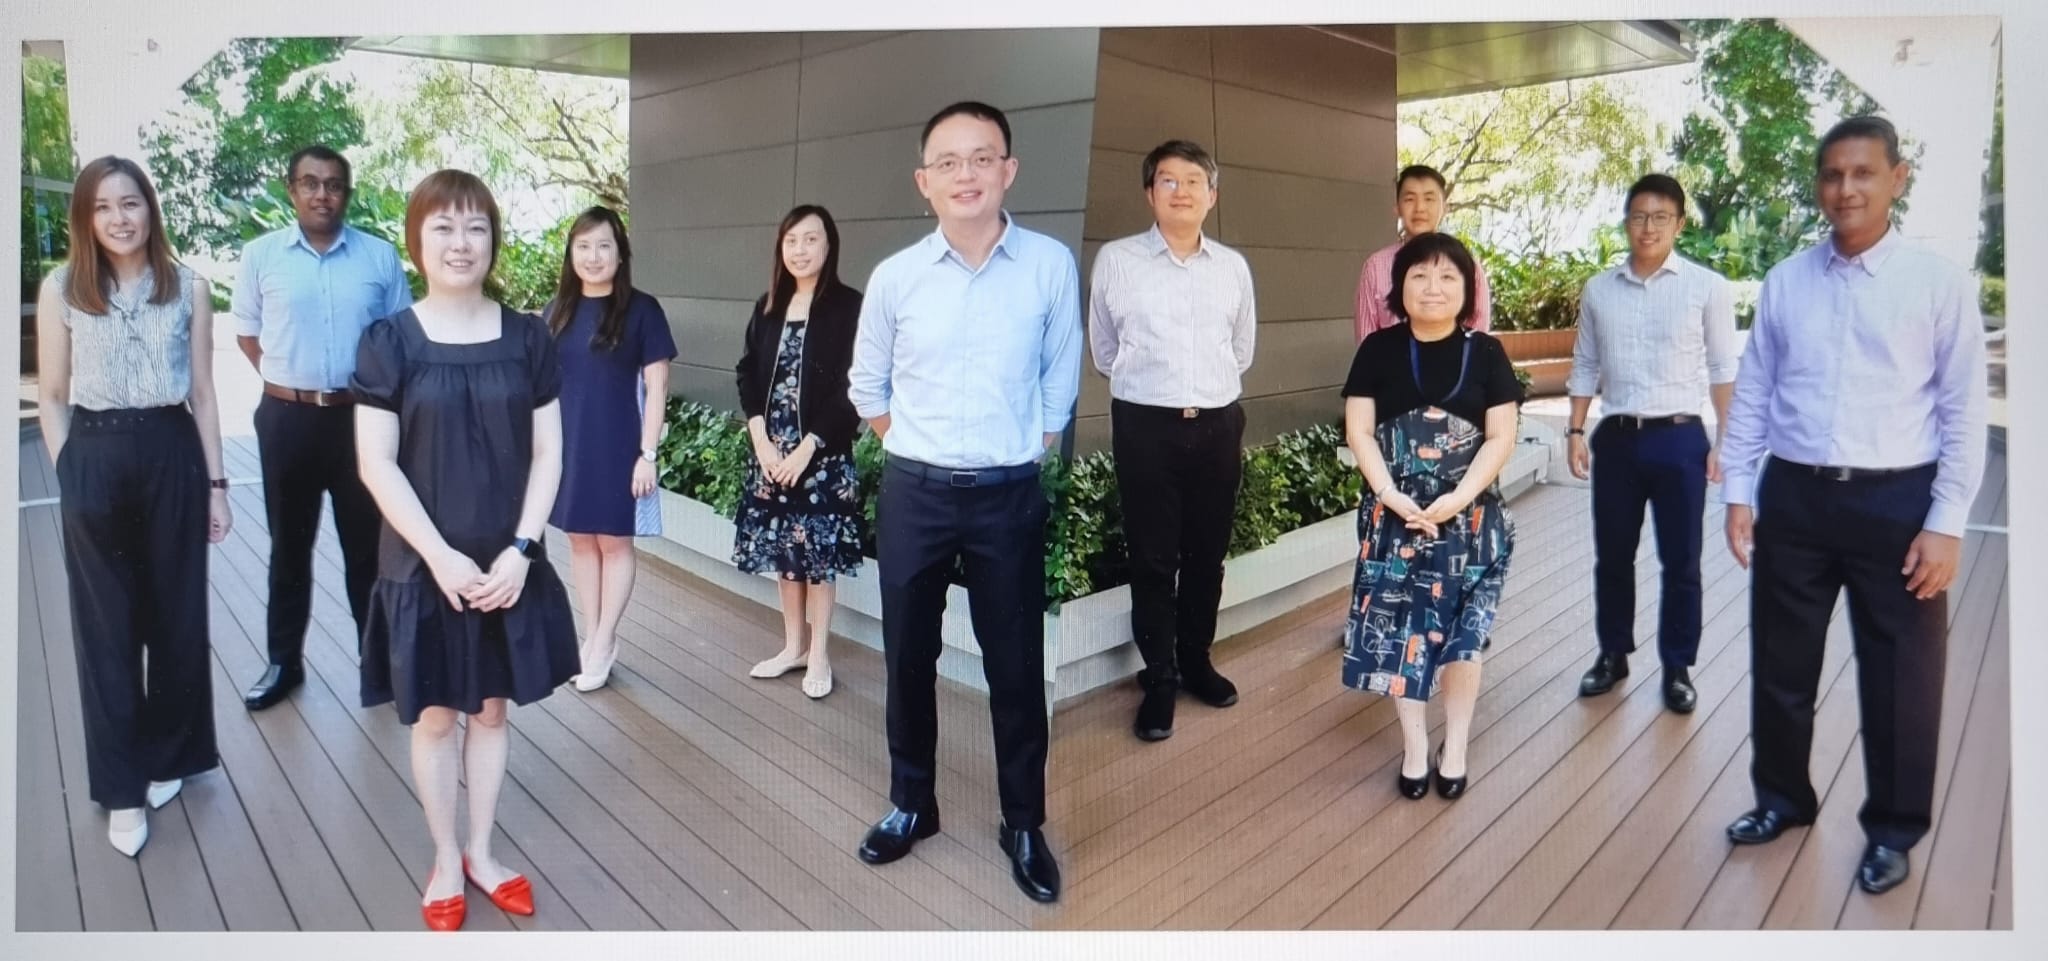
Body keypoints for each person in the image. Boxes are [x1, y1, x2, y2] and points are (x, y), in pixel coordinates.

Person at [1719, 116, 1988, 896]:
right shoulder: (1785, 282)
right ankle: (1781, 798)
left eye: (1864, 173)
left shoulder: (1936, 285)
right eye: (1833, 175)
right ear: (1819, 184)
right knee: (1780, 662)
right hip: (1795, 497)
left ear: (1896, 178)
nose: (1847, 189)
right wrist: (1740, 489)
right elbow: (1758, 391)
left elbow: (1964, 411)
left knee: (1902, 675)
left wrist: (1946, 521)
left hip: (1898, 503)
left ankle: (1895, 828)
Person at [846, 101, 1081, 903]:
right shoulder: (896, 277)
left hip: (1008, 495)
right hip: (914, 491)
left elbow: (1060, 380)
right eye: (948, 162)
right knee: (909, 658)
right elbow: (866, 384)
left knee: (1015, 667)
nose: (966, 174)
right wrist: (915, 444)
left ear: (1008, 170)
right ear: (924, 183)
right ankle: (913, 802)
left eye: (982, 158)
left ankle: (1023, 820)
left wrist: (1024, 449)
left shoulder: (1049, 264)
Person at [350, 170, 580, 930]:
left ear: (493, 240)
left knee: (489, 711)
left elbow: (549, 452)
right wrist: (442, 557)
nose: (460, 242)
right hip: (425, 566)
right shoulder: (389, 341)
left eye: (475, 227)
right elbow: (375, 462)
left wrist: (522, 548)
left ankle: (483, 849)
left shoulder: (528, 337)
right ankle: (445, 856)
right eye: (443, 227)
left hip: (506, 563)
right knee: (436, 718)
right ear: (417, 240)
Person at [34, 156, 232, 856]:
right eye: (103, 207)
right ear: (86, 218)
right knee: (107, 627)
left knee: (176, 615)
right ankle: (121, 788)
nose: (120, 218)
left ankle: (170, 757)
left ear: (151, 209)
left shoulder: (188, 288)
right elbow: (51, 393)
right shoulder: (62, 288)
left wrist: (216, 485)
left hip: (171, 449)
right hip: (96, 452)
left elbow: (204, 393)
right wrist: (72, 468)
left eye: (132, 203)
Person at [1339, 231, 1520, 802]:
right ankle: (1416, 747)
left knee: (1465, 641)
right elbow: (1359, 430)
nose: (1433, 287)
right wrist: (1390, 494)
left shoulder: (1487, 352)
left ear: (1467, 289)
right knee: (1401, 636)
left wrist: (1459, 497)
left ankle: (1457, 744)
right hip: (1396, 519)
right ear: (1400, 287)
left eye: (1447, 277)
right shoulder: (1377, 350)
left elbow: (1501, 436)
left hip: (1470, 522)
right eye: (1419, 276)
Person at [233, 144, 413, 711]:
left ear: (347, 193)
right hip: (286, 420)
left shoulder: (379, 258)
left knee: (367, 548)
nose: (321, 194)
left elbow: (399, 338)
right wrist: (290, 380)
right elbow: (246, 333)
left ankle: (375, 660)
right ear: (291, 190)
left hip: (360, 419)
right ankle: (284, 662)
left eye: (333, 184)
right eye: (309, 183)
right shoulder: (260, 256)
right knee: (290, 545)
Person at [1087, 139, 1256, 742]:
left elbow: (1241, 350)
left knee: (1206, 555)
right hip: (1145, 426)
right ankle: (1158, 676)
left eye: (1193, 180)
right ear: (1149, 193)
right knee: (1154, 557)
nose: (1180, 190)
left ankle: (1195, 661)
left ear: (1212, 195)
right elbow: (1105, 350)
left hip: (1215, 425)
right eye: (1167, 180)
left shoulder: (1233, 267)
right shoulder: (1117, 260)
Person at [1565, 173, 1739, 714]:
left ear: (1680, 224)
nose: (1649, 227)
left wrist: (1723, 441)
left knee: (1681, 560)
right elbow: (1586, 363)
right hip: (1616, 440)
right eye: (1639, 216)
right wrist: (1575, 429)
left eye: (1661, 217)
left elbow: (1722, 366)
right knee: (1612, 557)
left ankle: (1678, 666)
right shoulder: (1599, 289)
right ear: (1626, 221)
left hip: (1682, 440)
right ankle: (1612, 654)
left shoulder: (1707, 287)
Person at [543, 205, 678, 693]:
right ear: (571, 253)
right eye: (583, 246)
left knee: (614, 541)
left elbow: (657, 388)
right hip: (569, 443)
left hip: (621, 443)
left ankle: (603, 640)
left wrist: (649, 454)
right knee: (581, 539)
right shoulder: (556, 310)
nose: (593, 256)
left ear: (620, 254)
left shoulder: (642, 311)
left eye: (604, 246)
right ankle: (593, 634)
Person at [734, 204, 866, 700]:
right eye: (792, 240)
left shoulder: (849, 306)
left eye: (811, 239)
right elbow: (747, 371)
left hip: (822, 455)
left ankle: (820, 654)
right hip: (772, 455)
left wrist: (810, 446)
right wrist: (761, 441)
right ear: (780, 247)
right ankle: (792, 647)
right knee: (787, 555)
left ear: (828, 245)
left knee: (817, 558)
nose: (801, 250)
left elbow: (855, 386)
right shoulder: (768, 304)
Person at [1353, 164, 1493, 341]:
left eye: (1429, 199)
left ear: (1445, 208)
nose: (1420, 208)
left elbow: (1478, 336)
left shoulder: (1466, 265)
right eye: (1410, 199)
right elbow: (1366, 341)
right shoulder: (1375, 266)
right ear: (1397, 208)